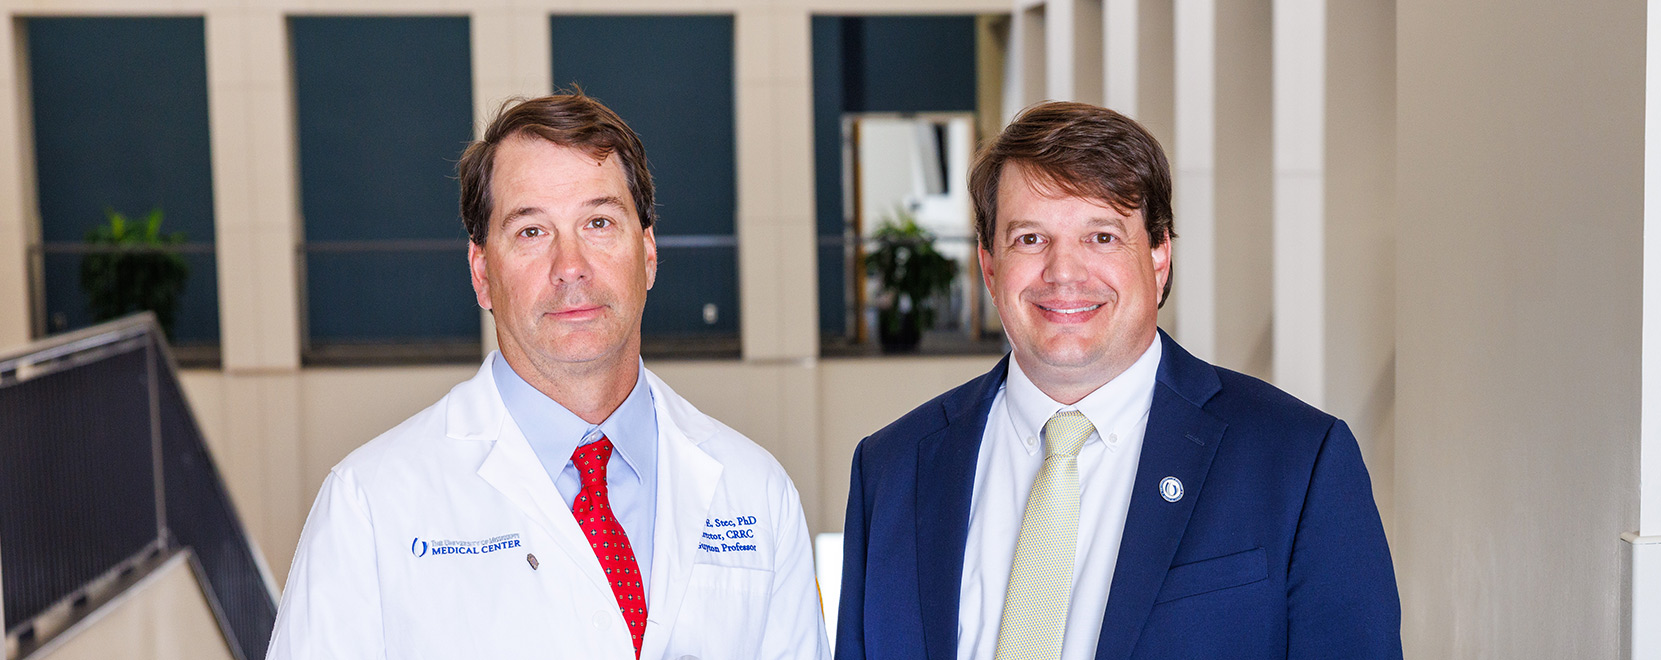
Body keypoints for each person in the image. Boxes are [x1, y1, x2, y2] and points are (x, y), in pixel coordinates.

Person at [268, 91, 829, 659]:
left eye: (599, 222)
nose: (571, 268)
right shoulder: (369, 504)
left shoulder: (757, 493)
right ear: (482, 272)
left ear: (649, 252)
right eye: (531, 232)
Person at [834, 102, 1401, 659]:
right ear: (988, 265)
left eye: (1102, 236)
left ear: (1158, 258)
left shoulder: (1297, 462)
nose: (1064, 273)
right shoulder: (891, 470)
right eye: (1029, 239)